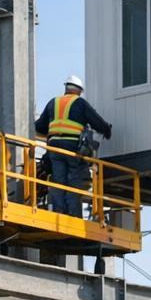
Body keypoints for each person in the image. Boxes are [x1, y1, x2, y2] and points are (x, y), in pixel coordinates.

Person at [33, 75, 112, 218]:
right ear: (79, 91)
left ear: (66, 88)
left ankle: (59, 212)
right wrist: (107, 130)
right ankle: (72, 215)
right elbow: (96, 121)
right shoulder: (79, 103)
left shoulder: (53, 103)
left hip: (54, 148)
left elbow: (39, 126)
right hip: (72, 147)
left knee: (58, 181)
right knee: (73, 180)